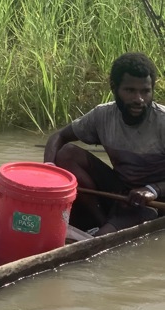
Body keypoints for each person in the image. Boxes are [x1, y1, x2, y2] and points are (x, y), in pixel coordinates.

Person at [44, 52, 165, 236]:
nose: (139, 99)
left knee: (100, 238)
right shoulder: (103, 116)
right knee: (67, 153)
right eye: (130, 90)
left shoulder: (162, 122)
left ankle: (103, 232)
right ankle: (101, 221)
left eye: (145, 91)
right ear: (114, 88)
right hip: (121, 190)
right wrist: (49, 171)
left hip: (152, 201)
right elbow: (59, 136)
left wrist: (153, 190)